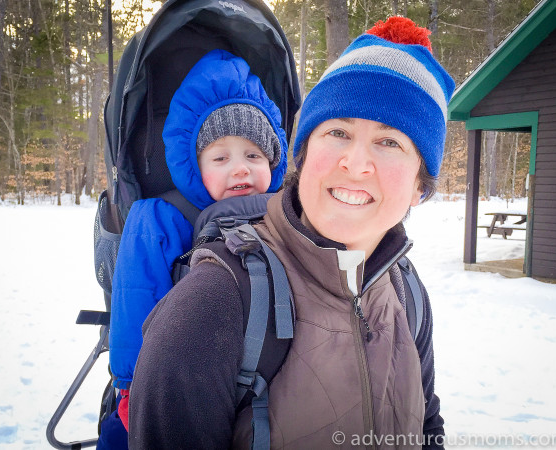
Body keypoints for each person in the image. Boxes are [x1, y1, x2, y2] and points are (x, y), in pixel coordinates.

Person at [128, 17, 455, 449]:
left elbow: (427, 427)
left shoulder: (405, 291)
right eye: (337, 132)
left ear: (419, 186)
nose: (356, 165)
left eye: (390, 141)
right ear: (303, 157)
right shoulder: (214, 303)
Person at [105, 49, 288, 441]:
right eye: (220, 157)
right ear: (194, 164)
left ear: (273, 161)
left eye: (253, 155)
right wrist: (133, 383)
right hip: (179, 374)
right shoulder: (164, 217)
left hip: (270, 372)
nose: (239, 167)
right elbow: (136, 297)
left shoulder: (284, 212)